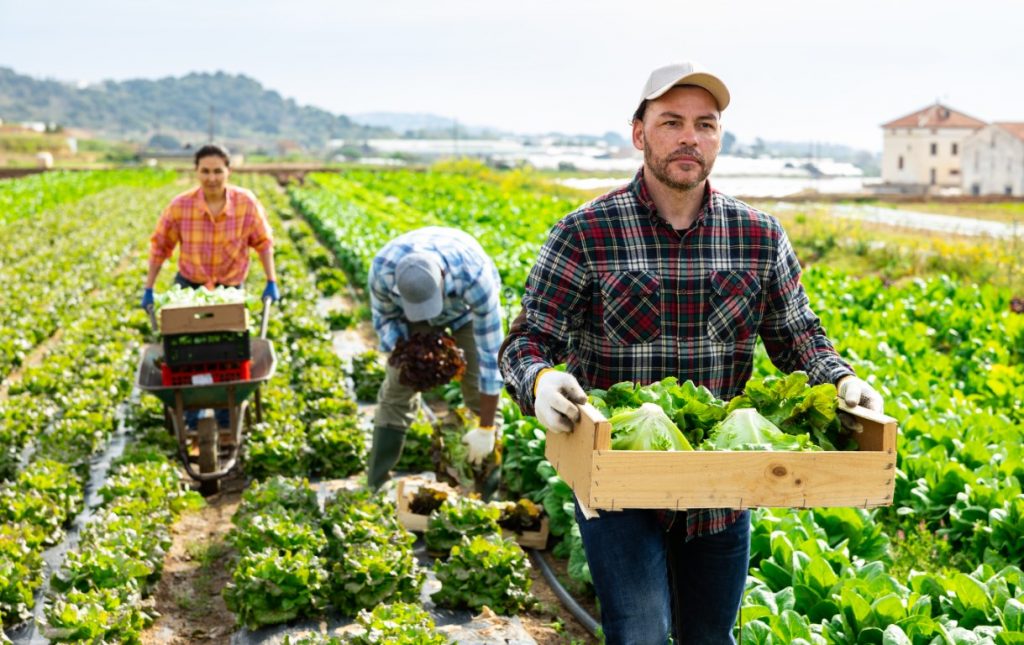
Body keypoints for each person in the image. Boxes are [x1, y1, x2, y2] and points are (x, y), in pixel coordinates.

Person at [498, 61, 884, 645]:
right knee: (643, 634)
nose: (689, 138)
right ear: (639, 133)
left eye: (705, 125)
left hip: (721, 489)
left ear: (719, 138)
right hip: (619, 485)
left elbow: (798, 337)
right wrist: (540, 380)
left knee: (710, 638)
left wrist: (842, 379)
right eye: (671, 121)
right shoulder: (585, 234)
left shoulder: (758, 235)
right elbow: (527, 342)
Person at [142, 144, 280, 428]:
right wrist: (149, 287)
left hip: (230, 290)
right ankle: (189, 415)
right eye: (205, 171)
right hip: (189, 290)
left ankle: (227, 418)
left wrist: (271, 281)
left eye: (218, 171)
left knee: (228, 353)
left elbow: (263, 243)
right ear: (196, 172)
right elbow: (160, 246)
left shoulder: (246, 202)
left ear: (228, 171)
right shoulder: (181, 205)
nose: (212, 177)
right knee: (185, 354)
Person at [366, 226, 504, 492]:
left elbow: (491, 355)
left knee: (478, 390)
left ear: (442, 279)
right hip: (409, 312)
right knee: (397, 387)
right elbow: (385, 321)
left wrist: (486, 428)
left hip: (465, 313)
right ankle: (377, 481)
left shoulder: (474, 276)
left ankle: (485, 492)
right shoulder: (382, 272)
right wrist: (408, 358)